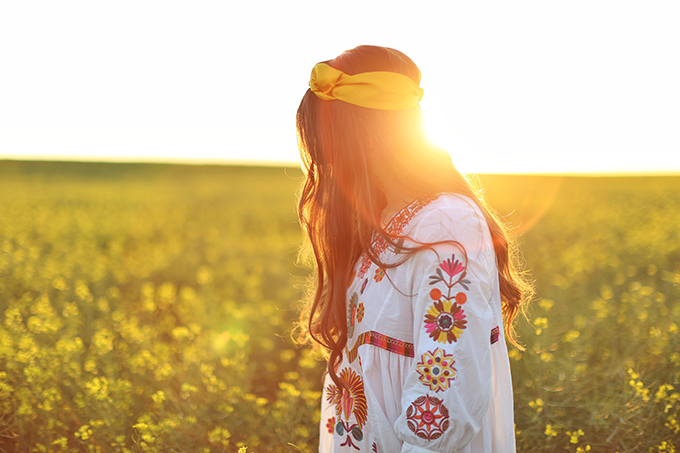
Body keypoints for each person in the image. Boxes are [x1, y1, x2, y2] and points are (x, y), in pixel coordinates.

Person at [295, 45, 533, 453]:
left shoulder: (445, 223)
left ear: (360, 135)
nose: (323, 161)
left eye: (326, 141)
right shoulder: (381, 222)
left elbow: (446, 395)